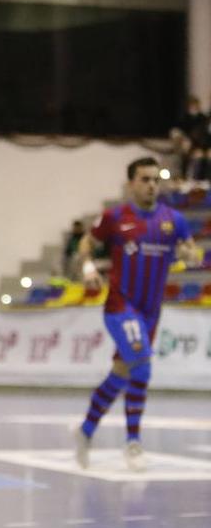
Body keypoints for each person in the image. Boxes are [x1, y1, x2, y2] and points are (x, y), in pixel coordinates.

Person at [73, 157, 202, 471]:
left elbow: (193, 251)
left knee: (121, 373)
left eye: (156, 180)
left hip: (150, 312)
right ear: (131, 183)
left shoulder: (174, 220)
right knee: (142, 365)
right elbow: (86, 243)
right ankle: (133, 443)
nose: (152, 185)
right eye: (145, 179)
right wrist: (89, 267)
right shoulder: (115, 217)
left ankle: (85, 430)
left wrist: (190, 254)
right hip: (121, 306)